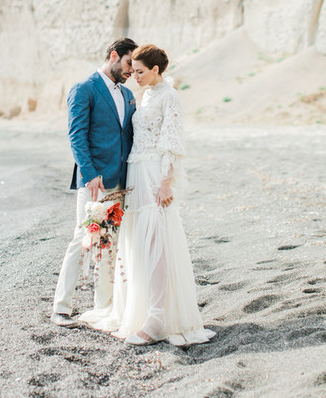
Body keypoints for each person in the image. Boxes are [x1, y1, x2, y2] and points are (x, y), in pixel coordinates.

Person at [80, 44, 216, 346]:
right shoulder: (147, 95)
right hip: (136, 173)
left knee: (157, 243)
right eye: (133, 70)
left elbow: (172, 141)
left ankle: (157, 317)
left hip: (154, 174)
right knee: (138, 244)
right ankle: (138, 311)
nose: (135, 76)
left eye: (140, 71)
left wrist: (166, 182)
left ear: (156, 70)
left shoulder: (169, 95)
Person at [51, 37, 138, 327]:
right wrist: (89, 174)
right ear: (113, 56)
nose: (131, 70)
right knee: (83, 239)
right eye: (128, 63)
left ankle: (104, 306)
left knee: (109, 244)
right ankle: (61, 307)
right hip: (95, 182)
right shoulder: (84, 89)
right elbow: (76, 135)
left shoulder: (128, 95)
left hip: (122, 181)